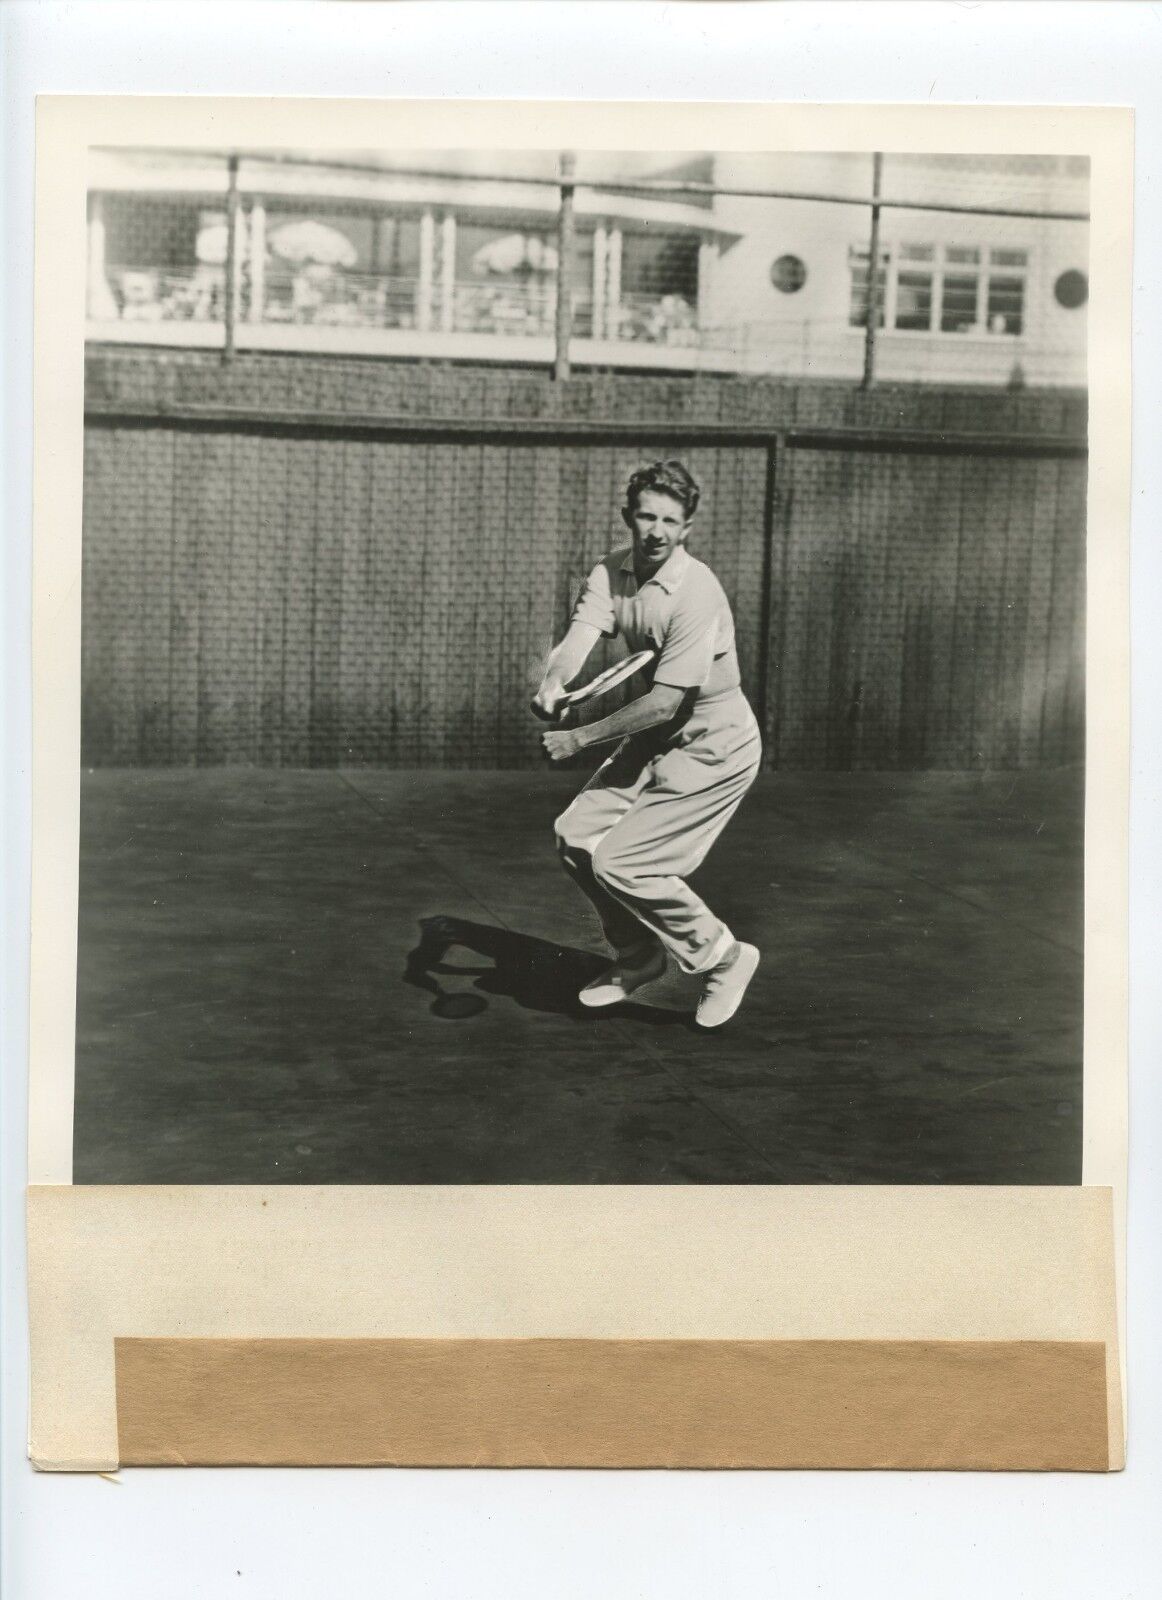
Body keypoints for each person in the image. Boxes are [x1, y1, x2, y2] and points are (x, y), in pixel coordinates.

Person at [533, 459, 762, 1029]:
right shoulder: (610, 573)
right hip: (656, 734)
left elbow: (664, 700)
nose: (656, 530)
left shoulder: (696, 592)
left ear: (686, 528)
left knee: (624, 863)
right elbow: (576, 643)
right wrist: (553, 682)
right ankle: (639, 956)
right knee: (575, 836)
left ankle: (726, 958)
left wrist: (579, 736)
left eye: (670, 520)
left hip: (716, 742)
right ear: (628, 519)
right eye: (646, 516)